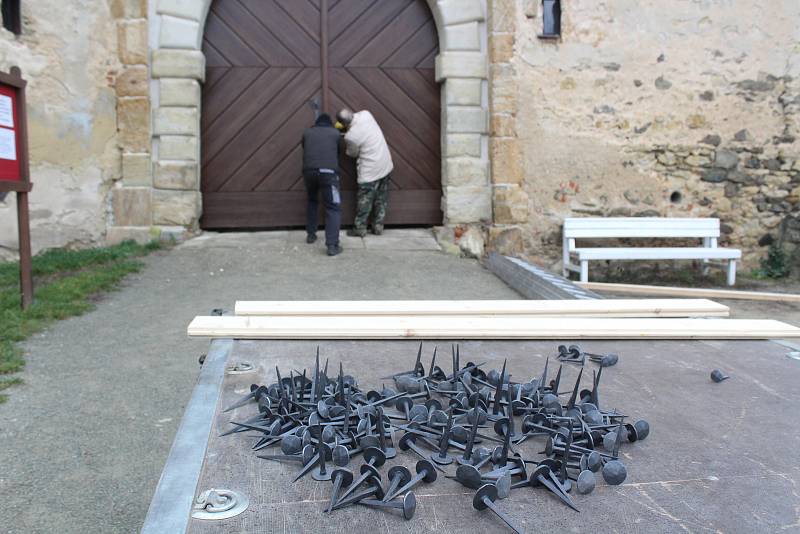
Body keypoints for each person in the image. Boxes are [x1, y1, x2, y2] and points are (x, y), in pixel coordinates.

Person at [336, 108, 394, 237]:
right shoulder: (367, 114)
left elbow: (353, 153)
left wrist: (346, 134)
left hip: (370, 170)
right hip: (385, 163)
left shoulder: (351, 136)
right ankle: (378, 227)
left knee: (364, 201)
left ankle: (360, 228)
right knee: (381, 199)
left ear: (343, 124)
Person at [302, 113, 342, 256]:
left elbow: (304, 148)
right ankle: (332, 245)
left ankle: (311, 234)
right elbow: (338, 153)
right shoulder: (335, 133)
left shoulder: (307, 132)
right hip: (329, 173)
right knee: (333, 207)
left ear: (317, 123)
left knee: (312, 200)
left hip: (309, 172)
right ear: (330, 123)